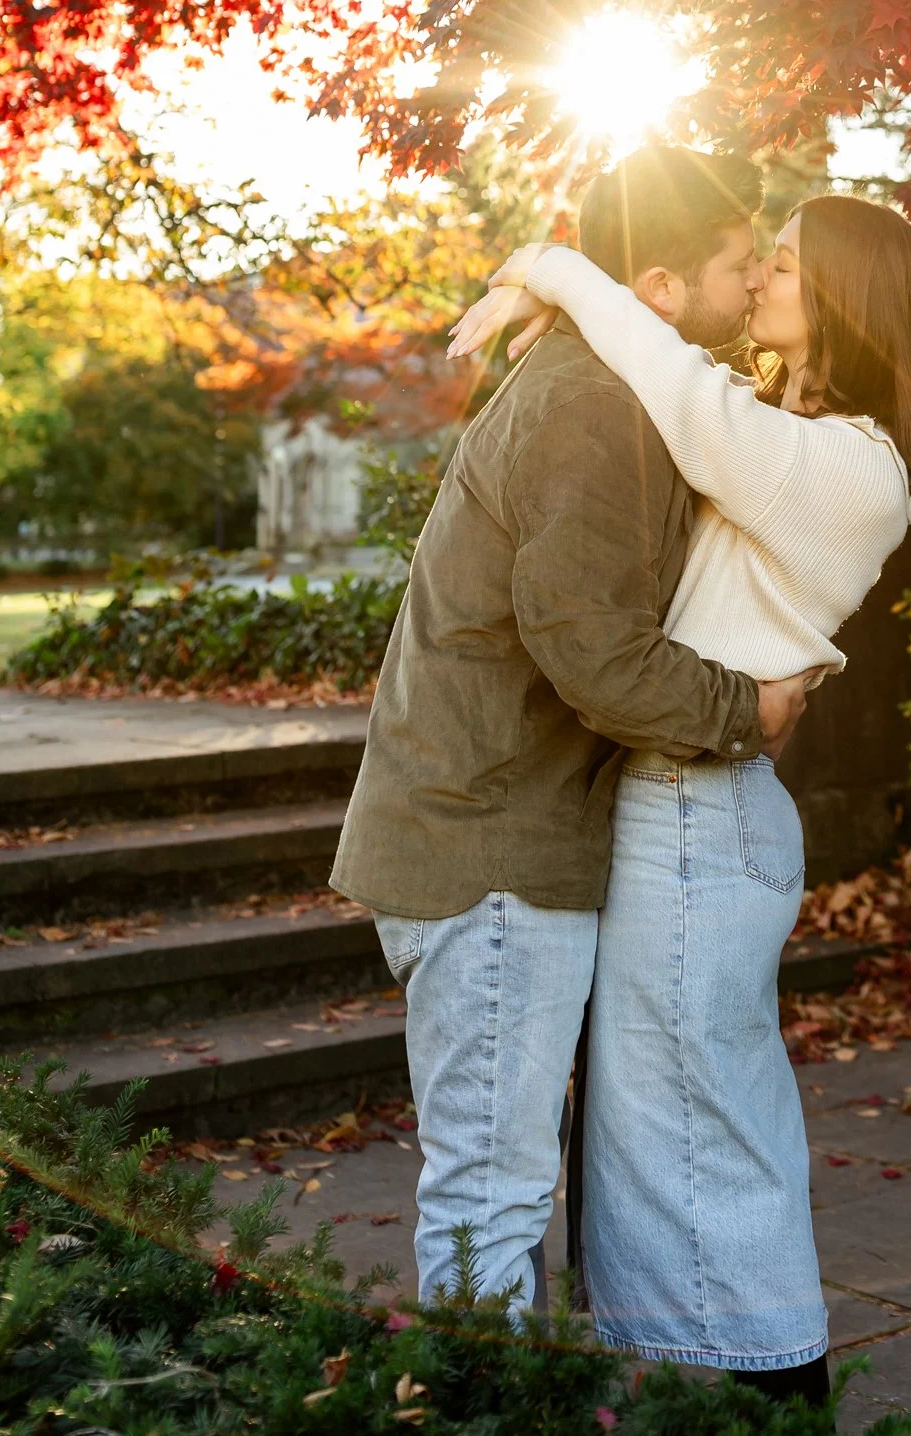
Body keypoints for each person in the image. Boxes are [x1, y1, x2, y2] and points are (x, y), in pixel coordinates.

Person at [452, 190, 911, 1400]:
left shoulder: (847, 467)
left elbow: (678, 391)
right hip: (682, 803)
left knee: (696, 1135)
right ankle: (695, 1395)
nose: (759, 281)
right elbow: (683, 386)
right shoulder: (790, 432)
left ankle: (771, 1401)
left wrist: (551, 267)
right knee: (660, 1130)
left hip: (696, 812)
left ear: (842, 297)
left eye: (782, 264)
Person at [330, 146, 811, 1313]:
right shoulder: (595, 406)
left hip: (503, 835)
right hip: (489, 851)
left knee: (503, 1193)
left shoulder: (613, 380)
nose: (753, 282)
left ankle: (522, 1389)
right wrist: (744, 711)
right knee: (490, 1200)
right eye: (737, 263)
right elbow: (591, 649)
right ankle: (483, 1395)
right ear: (658, 287)